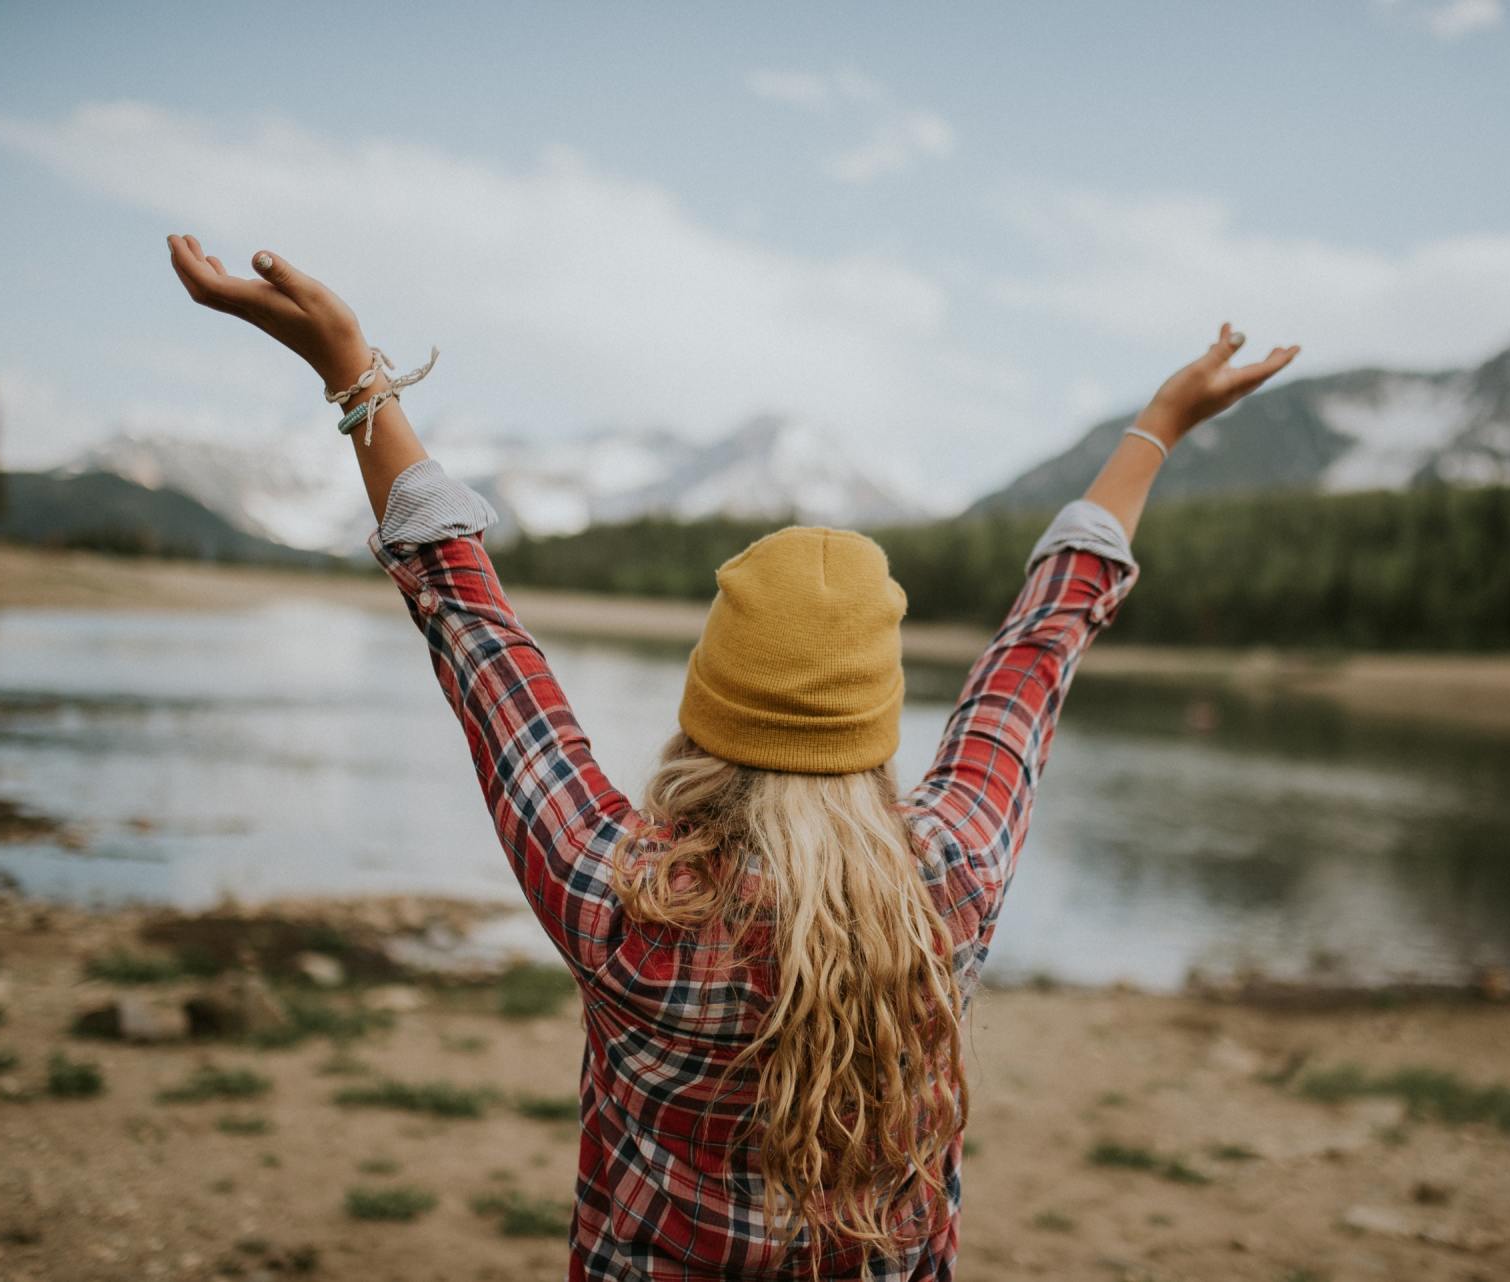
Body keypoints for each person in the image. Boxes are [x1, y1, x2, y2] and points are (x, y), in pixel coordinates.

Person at [166, 233, 1298, 1280]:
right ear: (873, 729)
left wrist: (355, 373)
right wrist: (1156, 427)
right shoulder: (948, 883)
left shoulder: (621, 898)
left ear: (707, 711)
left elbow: (474, 627)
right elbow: (1039, 648)